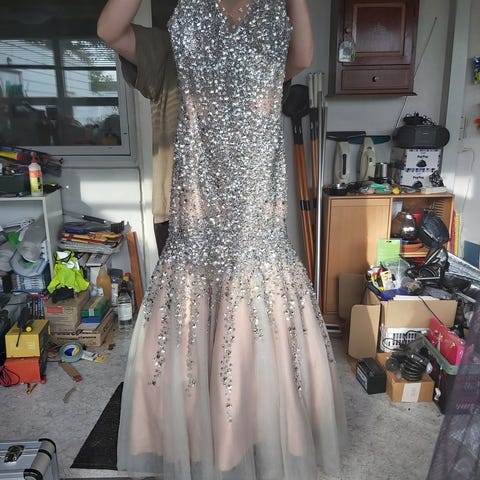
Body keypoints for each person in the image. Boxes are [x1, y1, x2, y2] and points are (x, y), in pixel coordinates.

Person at [98, 0, 347, 478]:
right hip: (198, 195)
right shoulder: (180, 26)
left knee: (254, 315)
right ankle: (205, 440)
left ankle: (252, 436)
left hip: (254, 200)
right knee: (199, 322)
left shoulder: (271, 15)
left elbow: (301, 57)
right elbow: (109, 28)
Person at [114, 0, 179, 256]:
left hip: (246, 214)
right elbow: (110, 31)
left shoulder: (257, 49)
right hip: (177, 212)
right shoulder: (169, 48)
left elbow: (297, 57)